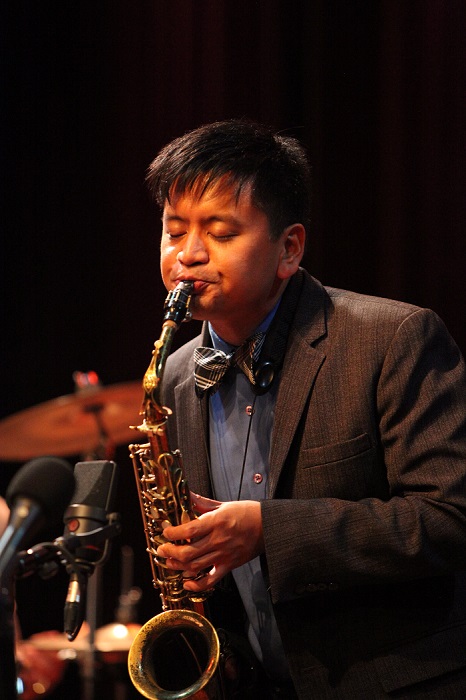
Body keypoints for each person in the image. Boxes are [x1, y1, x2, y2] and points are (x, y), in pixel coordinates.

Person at [147, 119, 466, 698]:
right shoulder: (172, 373)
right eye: (174, 232)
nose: (187, 255)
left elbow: (448, 519)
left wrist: (269, 530)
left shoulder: (392, 338)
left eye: (220, 232)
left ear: (289, 248)